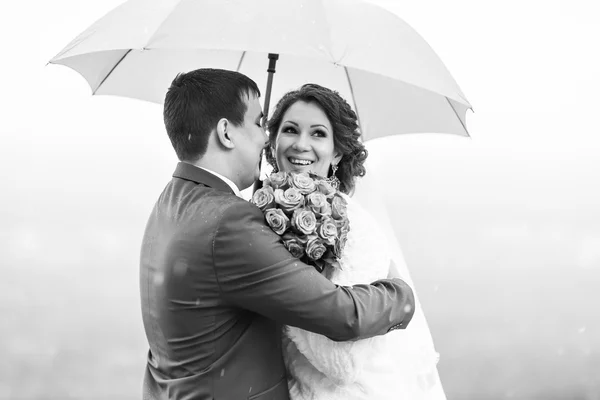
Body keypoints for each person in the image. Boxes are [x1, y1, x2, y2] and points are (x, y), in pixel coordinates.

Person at [139, 69, 417, 400]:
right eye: (260, 123)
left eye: (317, 134)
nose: (264, 138)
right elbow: (342, 316)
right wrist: (400, 296)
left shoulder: (171, 201)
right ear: (226, 133)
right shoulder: (230, 222)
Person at [265, 83, 446, 400]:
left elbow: (341, 363)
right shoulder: (257, 215)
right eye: (290, 130)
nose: (301, 144)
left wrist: (275, 289)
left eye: (318, 133)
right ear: (274, 140)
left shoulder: (355, 227)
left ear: (336, 152)